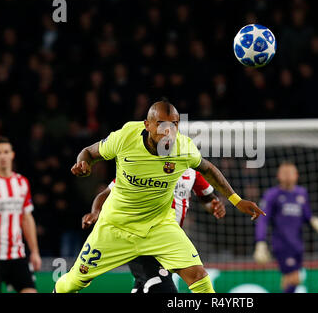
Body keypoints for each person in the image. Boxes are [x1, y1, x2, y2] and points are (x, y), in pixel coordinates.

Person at [54, 99, 265, 293]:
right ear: (147, 125)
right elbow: (89, 152)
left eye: (174, 124)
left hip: (159, 227)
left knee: (199, 277)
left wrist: (236, 200)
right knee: (73, 282)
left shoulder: (184, 149)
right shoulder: (125, 137)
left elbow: (209, 169)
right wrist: (84, 164)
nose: (168, 130)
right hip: (115, 227)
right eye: (161, 123)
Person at [82, 168, 226, 293]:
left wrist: (214, 207)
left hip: (168, 244)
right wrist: (95, 212)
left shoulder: (193, 173)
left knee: (147, 286)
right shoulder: (146, 165)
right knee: (163, 286)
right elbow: (107, 192)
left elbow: (208, 199)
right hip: (140, 238)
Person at [253, 161, 318, 293]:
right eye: (284, 173)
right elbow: (263, 219)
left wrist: (313, 220)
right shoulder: (272, 195)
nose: (287, 176)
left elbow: (306, 214)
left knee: (292, 279)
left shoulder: (302, 193)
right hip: (282, 244)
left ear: (296, 175)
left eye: (290, 172)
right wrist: (260, 242)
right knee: (294, 278)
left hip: (298, 244)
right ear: (278, 175)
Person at [0, 137, 42, 293]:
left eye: (6, 152)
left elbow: (27, 218)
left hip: (17, 254)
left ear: (12, 154)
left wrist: (35, 252)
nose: (2, 156)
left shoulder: (22, 182)